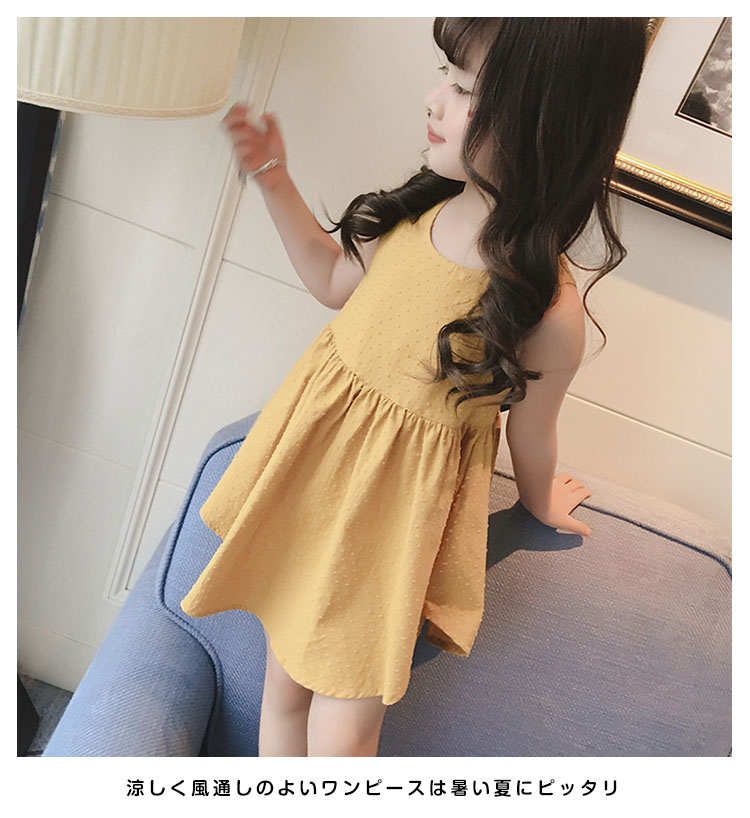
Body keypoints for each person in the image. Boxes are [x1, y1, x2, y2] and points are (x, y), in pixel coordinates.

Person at [180, 17, 648, 757]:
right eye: (445, 75)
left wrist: (538, 503)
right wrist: (273, 176)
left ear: (545, 121)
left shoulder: (543, 309)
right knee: (284, 689)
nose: (434, 99)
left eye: (465, 89)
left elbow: (532, 432)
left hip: (392, 529)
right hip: (317, 488)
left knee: (346, 728)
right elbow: (331, 278)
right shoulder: (416, 211)